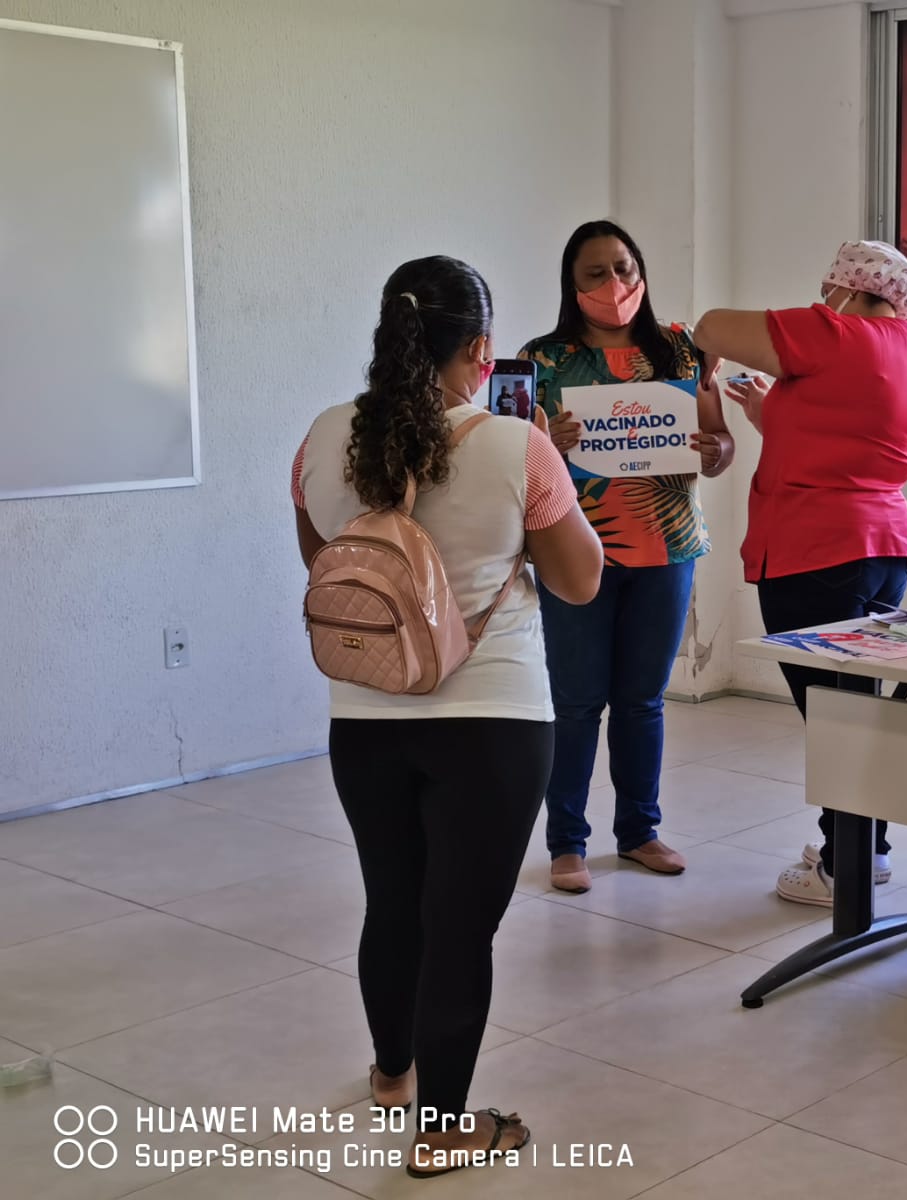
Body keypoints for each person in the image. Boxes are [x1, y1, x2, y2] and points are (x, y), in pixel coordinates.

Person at [292, 256, 603, 1176]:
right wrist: (555, 462)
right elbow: (581, 582)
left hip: (365, 712)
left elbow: (325, 564)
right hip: (494, 720)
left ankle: (393, 1073)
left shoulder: (320, 437)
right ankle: (444, 1132)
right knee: (459, 924)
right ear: (482, 348)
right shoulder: (517, 445)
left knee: (393, 899)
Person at [694, 240, 907, 906]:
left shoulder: (834, 331)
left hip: (817, 551)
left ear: (846, 290)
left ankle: (844, 869)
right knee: (854, 713)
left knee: (833, 718)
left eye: (825, 287)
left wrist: (709, 347)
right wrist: (766, 414)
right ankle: (864, 850)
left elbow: (712, 325)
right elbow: (854, 442)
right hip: (881, 549)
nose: (819, 298)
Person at [520, 220, 735, 895]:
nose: (614, 284)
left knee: (643, 700)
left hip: (668, 547)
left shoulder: (680, 349)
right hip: (575, 549)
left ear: (640, 269)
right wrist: (546, 439)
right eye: (595, 274)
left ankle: (639, 831)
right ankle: (566, 842)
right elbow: (516, 460)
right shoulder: (542, 361)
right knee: (578, 701)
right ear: (572, 285)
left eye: (623, 267)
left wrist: (713, 450)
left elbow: (722, 444)